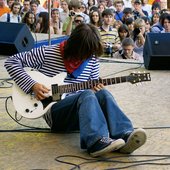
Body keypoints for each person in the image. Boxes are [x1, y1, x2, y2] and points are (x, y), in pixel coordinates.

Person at [4, 23, 147, 158]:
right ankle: (96, 141)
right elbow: (11, 61)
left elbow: (92, 92)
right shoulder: (48, 52)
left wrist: (94, 88)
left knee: (102, 94)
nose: (87, 57)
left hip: (82, 114)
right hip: (54, 113)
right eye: (84, 53)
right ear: (74, 47)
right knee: (86, 95)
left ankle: (125, 134)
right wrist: (32, 85)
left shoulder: (92, 60)